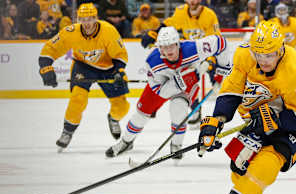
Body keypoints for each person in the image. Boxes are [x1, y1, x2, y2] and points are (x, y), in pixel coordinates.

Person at [197, 20, 296, 194]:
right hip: (261, 118)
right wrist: (216, 121)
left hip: (293, 128)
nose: (263, 60)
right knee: (239, 161)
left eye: (269, 55)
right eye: (258, 54)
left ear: (281, 48)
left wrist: (275, 119)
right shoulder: (245, 55)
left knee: (264, 164)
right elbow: (233, 88)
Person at [105, 27, 231, 159]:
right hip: (163, 86)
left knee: (178, 109)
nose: (169, 50)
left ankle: (176, 146)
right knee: (140, 116)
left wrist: (221, 73)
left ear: (178, 44)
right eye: (164, 47)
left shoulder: (193, 48)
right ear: (159, 48)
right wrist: (187, 77)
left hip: (187, 84)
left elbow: (221, 43)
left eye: (172, 46)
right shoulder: (152, 62)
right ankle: (126, 142)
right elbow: (161, 92)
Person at [38, 3, 130, 152]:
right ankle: (67, 131)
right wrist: (46, 67)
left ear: (96, 18)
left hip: (108, 68)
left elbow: (120, 55)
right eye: (83, 19)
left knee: (122, 106)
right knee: (77, 99)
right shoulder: (71, 31)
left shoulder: (108, 31)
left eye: (90, 18)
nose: (87, 23)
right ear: (78, 19)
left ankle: (114, 118)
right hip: (83, 66)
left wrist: (119, 71)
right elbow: (50, 48)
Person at [141, 0, 222, 125]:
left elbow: (215, 38)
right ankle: (194, 110)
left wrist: (210, 60)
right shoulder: (180, 12)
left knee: (219, 84)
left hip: (205, 52)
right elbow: (168, 25)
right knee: (181, 80)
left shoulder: (209, 15)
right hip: (187, 54)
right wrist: (155, 33)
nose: (193, 1)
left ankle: (223, 114)